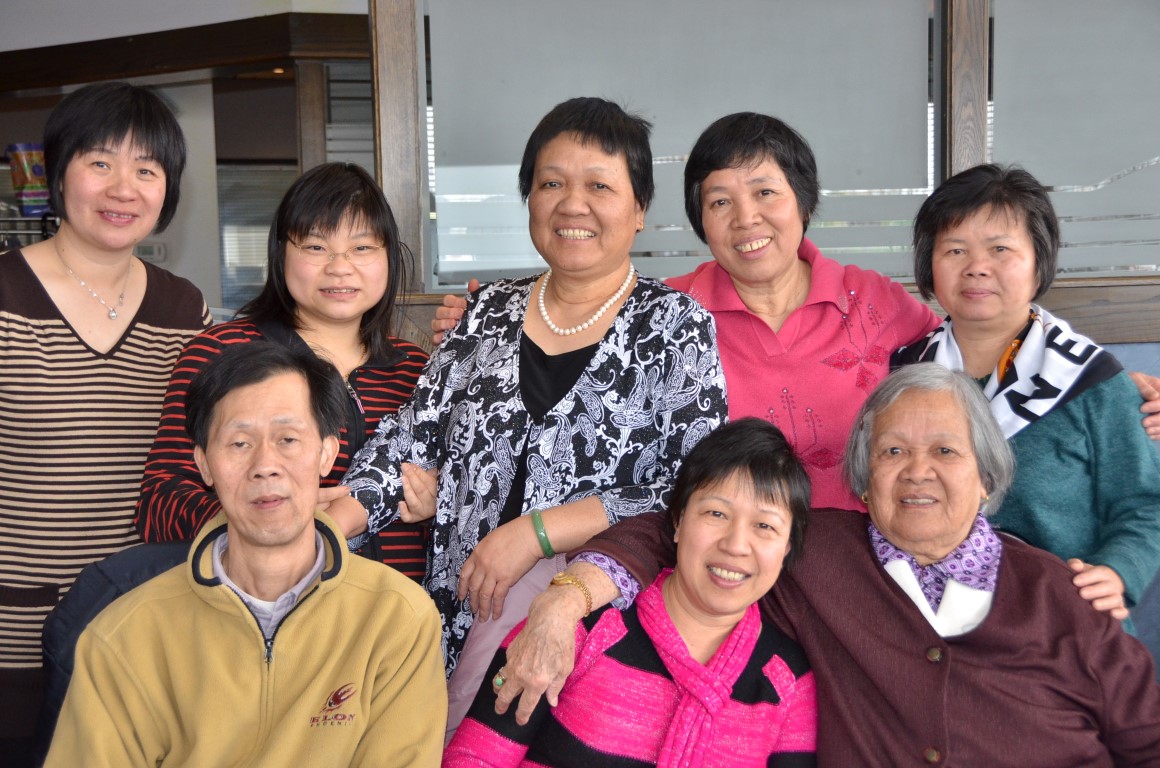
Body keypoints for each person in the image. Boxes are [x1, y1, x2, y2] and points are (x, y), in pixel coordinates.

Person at [432, 114, 1160, 510]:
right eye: (719, 201)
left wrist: (1108, 394)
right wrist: (483, 323)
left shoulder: (874, 303)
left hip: (869, 557)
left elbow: (969, 364)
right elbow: (571, 337)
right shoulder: (665, 313)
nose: (746, 219)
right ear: (698, 221)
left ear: (803, 203)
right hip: (727, 565)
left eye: (766, 194)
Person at [496, 364, 1160, 766]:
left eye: (946, 452)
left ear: (987, 478)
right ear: (865, 484)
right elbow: (681, 530)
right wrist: (564, 599)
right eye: (893, 452)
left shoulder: (1060, 592)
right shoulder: (813, 553)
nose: (918, 471)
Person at [328, 96, 728, 735]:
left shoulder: (675, 327)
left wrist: (536, 532)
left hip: (594, 629)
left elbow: (693, 487)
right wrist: (332, 523)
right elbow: (411, 437)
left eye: (600, 186)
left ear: (640, 209)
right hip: (457, 616)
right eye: (551, 184)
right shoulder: (484, 313)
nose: (573, 204)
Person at [44, 342, 446, 768]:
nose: (264, 465)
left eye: (288, 439)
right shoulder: (125, 634)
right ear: (204, 464)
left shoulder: (396, 619)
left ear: (326, 453)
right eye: (239, 443)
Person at [0, 81, 210, 763]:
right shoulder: (4, 293)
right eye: (100, 162)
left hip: (138, 622)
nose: (124, 188)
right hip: (11, 634)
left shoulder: (184, 310)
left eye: (147, 169)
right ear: (59, 172)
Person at [444, 419, 817, 767]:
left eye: (765, 526)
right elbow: (475, 758)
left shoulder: (787, 680)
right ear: (677, 521)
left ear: (787, 548)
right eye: (716, 514)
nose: (735, 545)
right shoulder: (572, 627)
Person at [135, 162, 430, 578]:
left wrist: (434, 509)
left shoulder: (418, 370)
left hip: (400, 608)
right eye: (316, 247)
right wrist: (257, 520)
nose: (340, 266)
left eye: (362, 248)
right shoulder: (221, 353)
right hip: (268, 603)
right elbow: (158, 501)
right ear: (280, 254)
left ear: (389, 257)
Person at [894, 164, 1160, 621]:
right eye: (955, 250)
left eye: (1000, 249)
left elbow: (1146, 502)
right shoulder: (901, 375)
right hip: (928, 622)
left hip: (1062, 619)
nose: (977, 267)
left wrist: (1117, 571)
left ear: (1039, 261)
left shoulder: (1091, 380)